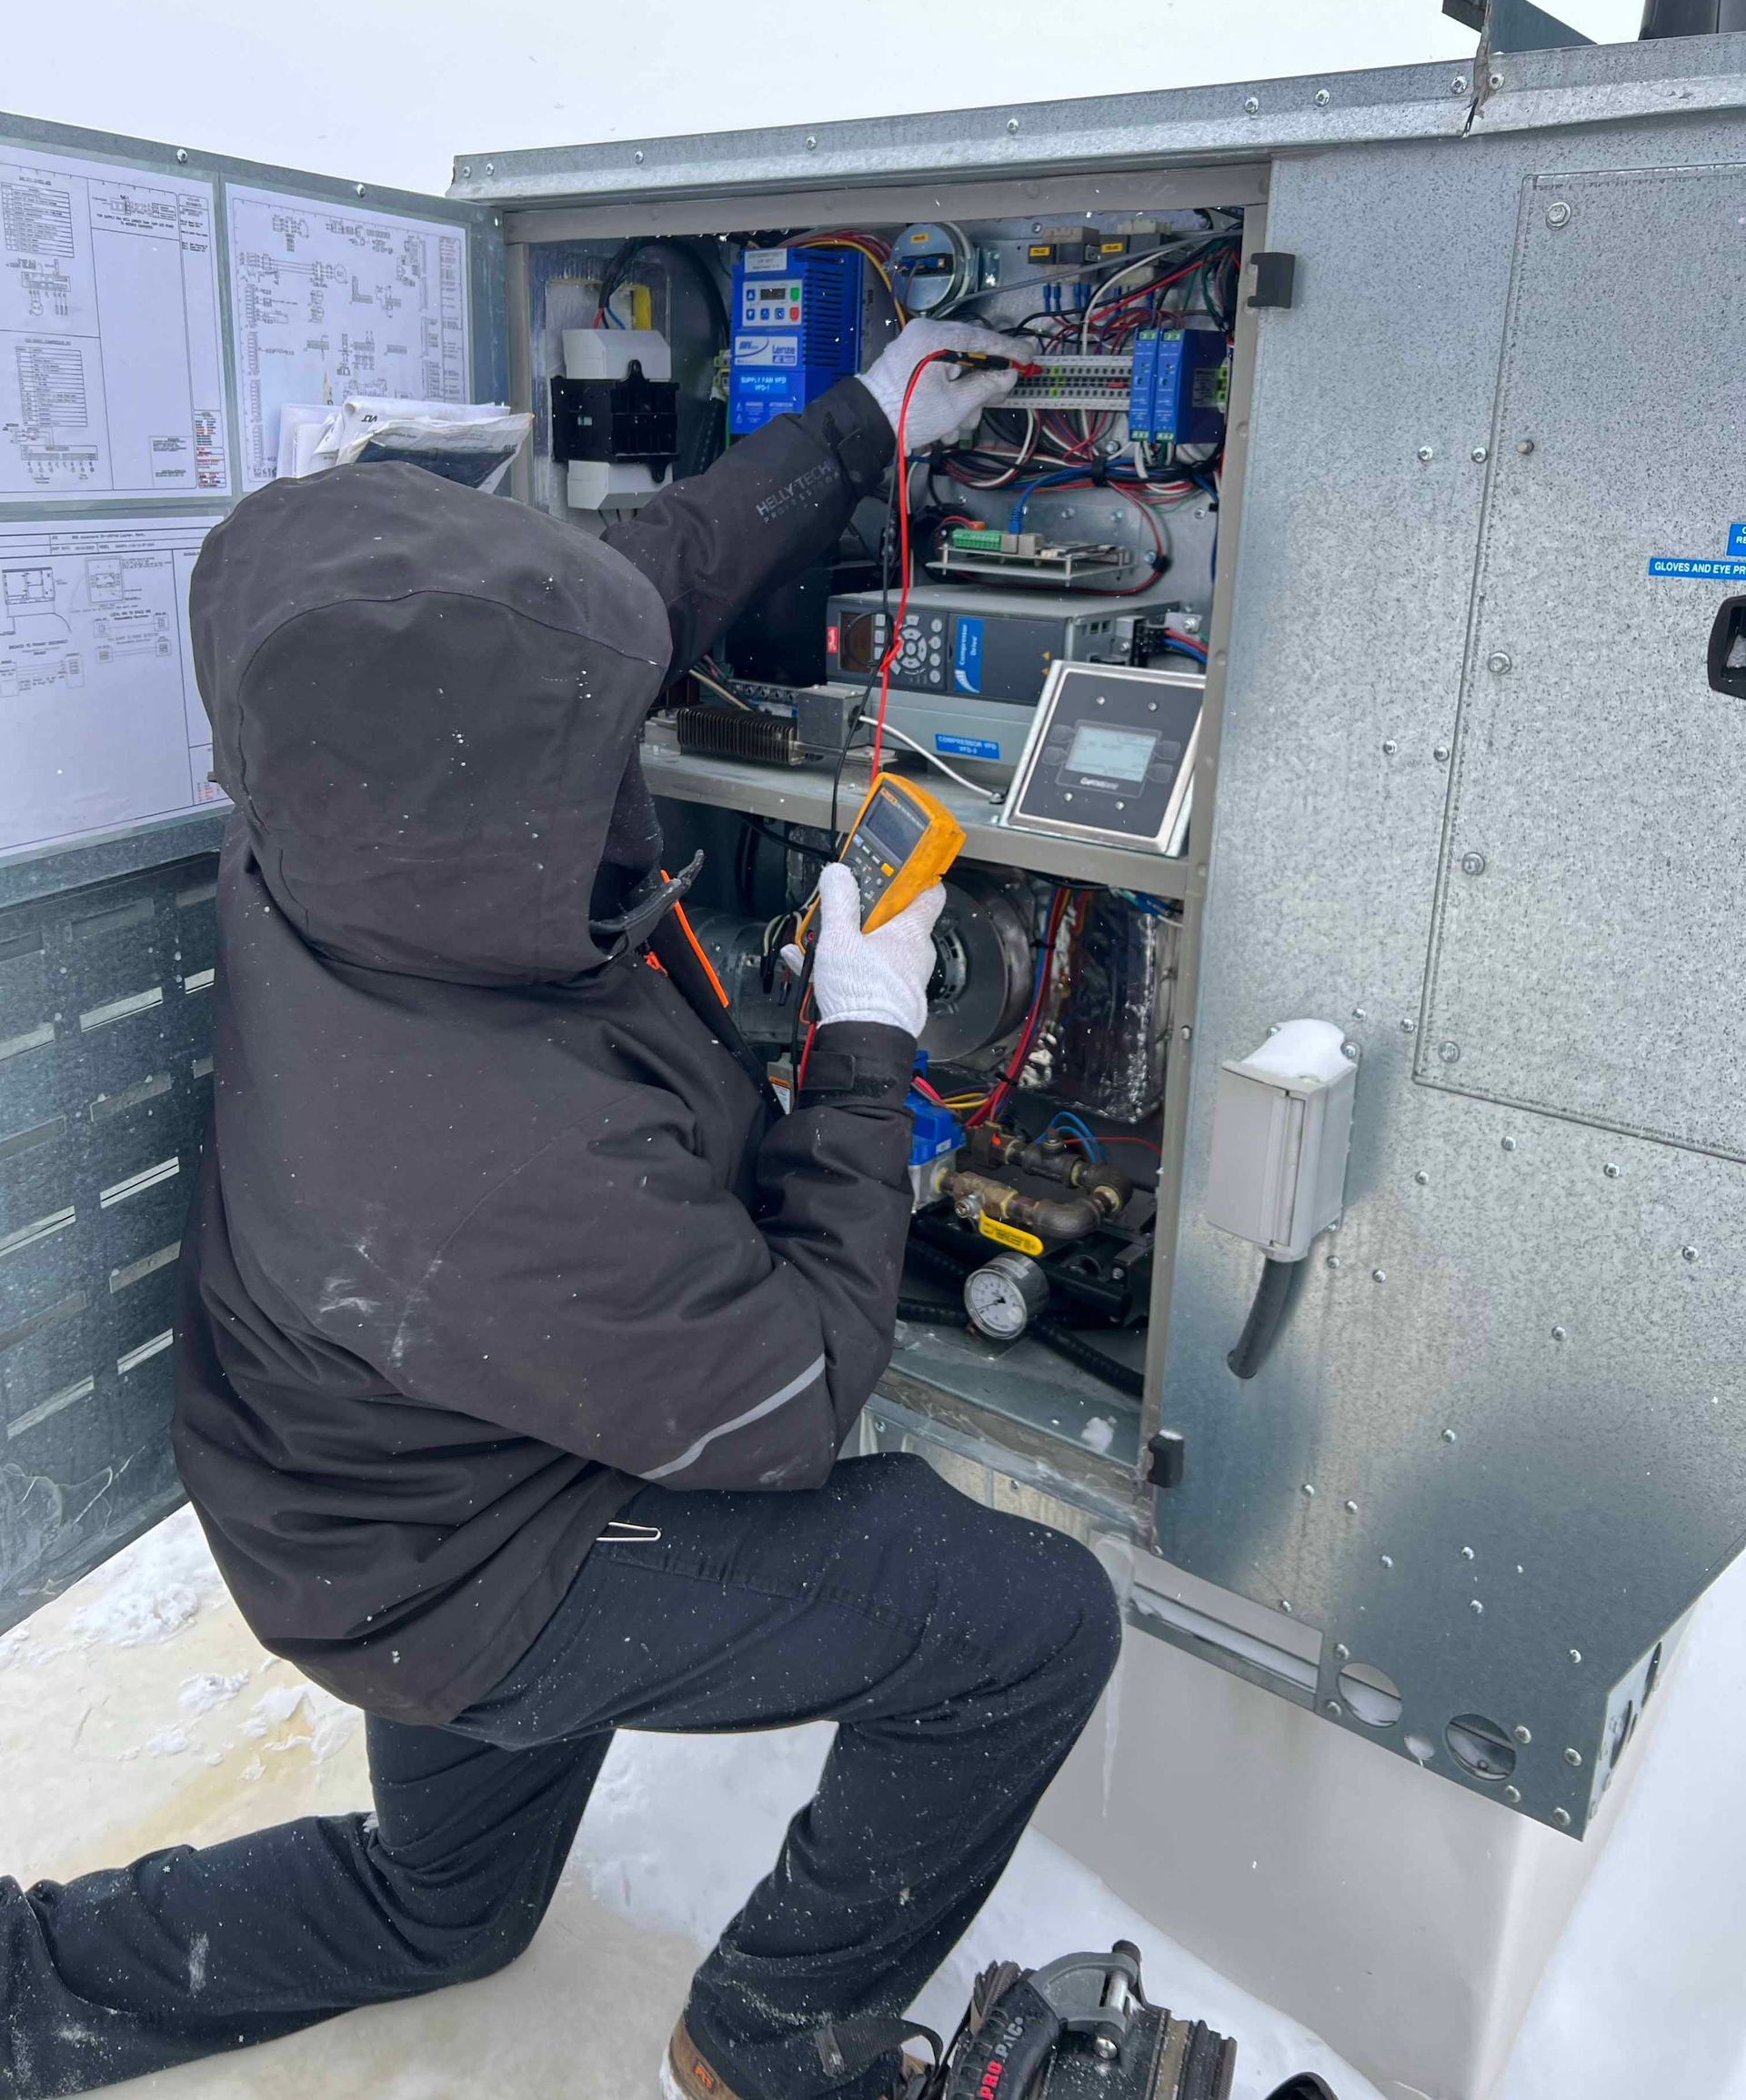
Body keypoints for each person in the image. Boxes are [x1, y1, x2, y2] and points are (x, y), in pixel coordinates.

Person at [0, 322, 1123, 2100]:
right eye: (593, 729)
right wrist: (866, 1027)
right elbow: (790, 1395)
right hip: (473, 1560)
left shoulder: (340, 793)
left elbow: (615, 594)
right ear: (488, 794)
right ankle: (767, 2036)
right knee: (1024, 1619)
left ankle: (22, 1987)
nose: (624, 717)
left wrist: (863, 418)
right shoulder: (462, 1153)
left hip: (354, 1476)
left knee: (450, 1907)